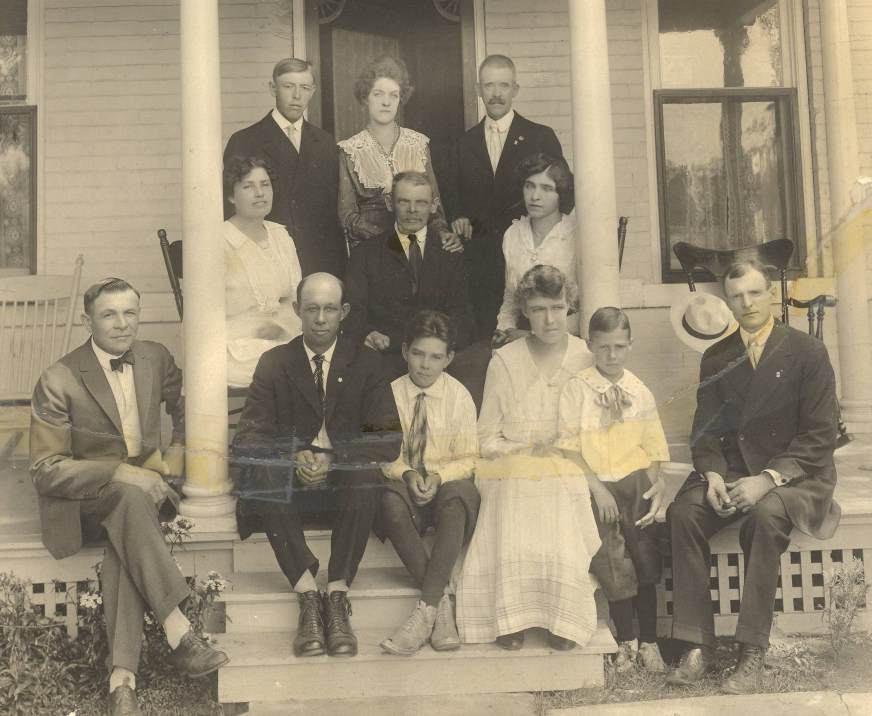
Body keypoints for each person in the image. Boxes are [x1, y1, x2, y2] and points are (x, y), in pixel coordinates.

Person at [29, 278, 228, 716]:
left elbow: (189, 402)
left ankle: (123, 682)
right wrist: (122, 472)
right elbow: (46, 470)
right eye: (109, 314)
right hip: (83, 501)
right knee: (127, 500)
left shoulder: (155, 357)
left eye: (130, 313)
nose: (122, 324)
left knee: (129, 521)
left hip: (138, 496)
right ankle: (179, 630)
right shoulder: (59, 378)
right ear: (88, 320)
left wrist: (175, 453)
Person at [665, 259, 840, 693]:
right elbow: (705, 432)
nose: (747, 303)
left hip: (796, 473)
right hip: (733, 472)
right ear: (727, 302)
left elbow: (820, 436)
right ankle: (696, 645)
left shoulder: (808, 352)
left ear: (771, 295)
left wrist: (767, 478)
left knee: (765, 519)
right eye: (737, 296)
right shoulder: (717, 356)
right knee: (684, 513)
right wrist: (713, 476)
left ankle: (751, 650)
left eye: (755, 293)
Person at [231, 272, 401, 659]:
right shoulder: (275, 362)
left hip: (343, 486)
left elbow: (388, 440)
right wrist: (294, 454)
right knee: (264, 470)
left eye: (329, 309)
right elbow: (247, 439)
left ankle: (338, 593)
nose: (320, 319)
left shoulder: (366, 362)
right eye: (311, 309)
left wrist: (334, 458)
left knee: (365, 472)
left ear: (343, 312)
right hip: (291, 489)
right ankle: (307, 592)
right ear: (297, 311)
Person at [455, 265, 600, 651]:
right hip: (511, 461)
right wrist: (521, 453)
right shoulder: (505, 360)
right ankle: (510, 615)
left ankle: (561, 616)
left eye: (557, 307)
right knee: (520, 479)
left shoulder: (587, 356)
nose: (549, 319)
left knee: (558, 482)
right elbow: (485, 436)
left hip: (569, 463)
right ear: (524, 311)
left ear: (569, 307)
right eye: (538, 309)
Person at [557, 307, 670, 673]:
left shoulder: (639, 391)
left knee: (644, 556)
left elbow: (654, 448)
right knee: (612, 561)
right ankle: (626, 642)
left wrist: (656, 484)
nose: (612, 355)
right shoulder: (578, 388)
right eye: (604, 347)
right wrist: (597, 490)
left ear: (630, 345)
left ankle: (650, 641)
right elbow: (568, 448)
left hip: (636, 482)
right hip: (596, 485)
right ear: (590, 345)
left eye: (619, 346)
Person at [376, 310, 480, 656]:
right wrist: (406, 473)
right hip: (407, 487)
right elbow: (378, 453)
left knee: (460, 494)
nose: (425, 365)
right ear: (405, 350)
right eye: (418, 353)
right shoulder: (387, 394)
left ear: (449, 358)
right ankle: (440, 605)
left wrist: (438, 476)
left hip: (444, 489)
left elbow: (469, 458)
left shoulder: (459, 396)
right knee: (387, 498)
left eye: (436, 357)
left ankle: (424, 614)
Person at [444, 54, 564, 339]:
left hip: (529, 255)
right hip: (481, 261)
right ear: (478, 90)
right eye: (489, 86)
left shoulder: (540, 136)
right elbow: (451, 193)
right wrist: (458, 215)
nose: (496, 94)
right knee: (489, 337)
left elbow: (562, 195)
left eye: (503, 86)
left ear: (515, 90)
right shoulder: (463, 143)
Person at [344, 171, 474, 379]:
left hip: (436, 360)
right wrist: (368, 334)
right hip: (384, 360)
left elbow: (462, 314)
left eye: (421, 202)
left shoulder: (450, 253)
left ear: (434, 205)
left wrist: (437, 347)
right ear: (389, 203)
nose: (412, 210)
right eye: (404, 202)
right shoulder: (365, 254)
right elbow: (353, 312)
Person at [223, 58, 345, 278]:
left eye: (305, 88)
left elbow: (331, 211)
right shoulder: (245, 140)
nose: (297, 96)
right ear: (273, 88)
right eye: (288, 86)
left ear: (313, 91)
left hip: (318, 262)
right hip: (265, 260)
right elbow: (230, 210)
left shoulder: (325, 142)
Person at [337, 55, 459, 251]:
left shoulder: (418, 144)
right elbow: (347, 215)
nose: (386, 102)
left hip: (419, 245)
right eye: (378, 94)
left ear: (401, 99)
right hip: (372, 248)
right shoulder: (349, 150)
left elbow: (435, 208)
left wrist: (443, 232)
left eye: (393, 95)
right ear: (365, 97)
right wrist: (392, 240)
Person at [223, 155, 303, 388]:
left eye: (265, 184)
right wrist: (258, 330)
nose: (260, 193)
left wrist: (282, 327)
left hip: (282, 336)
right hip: (235, 349)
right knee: (300, 371)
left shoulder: (280, 235)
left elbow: (295, 296)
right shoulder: (219, 241)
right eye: (248, 186)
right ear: (231, 196)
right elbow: (203, 316)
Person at [495, 153, 578, 345]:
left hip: (567, 336)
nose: (534, 196)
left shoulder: (576, 235)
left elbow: (588, 311)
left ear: (561, 194)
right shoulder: (513, 234)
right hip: (520, 338)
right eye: (529, 185)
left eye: (547, 188)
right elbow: (511, 300)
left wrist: (532, 337)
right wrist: (504, 330)